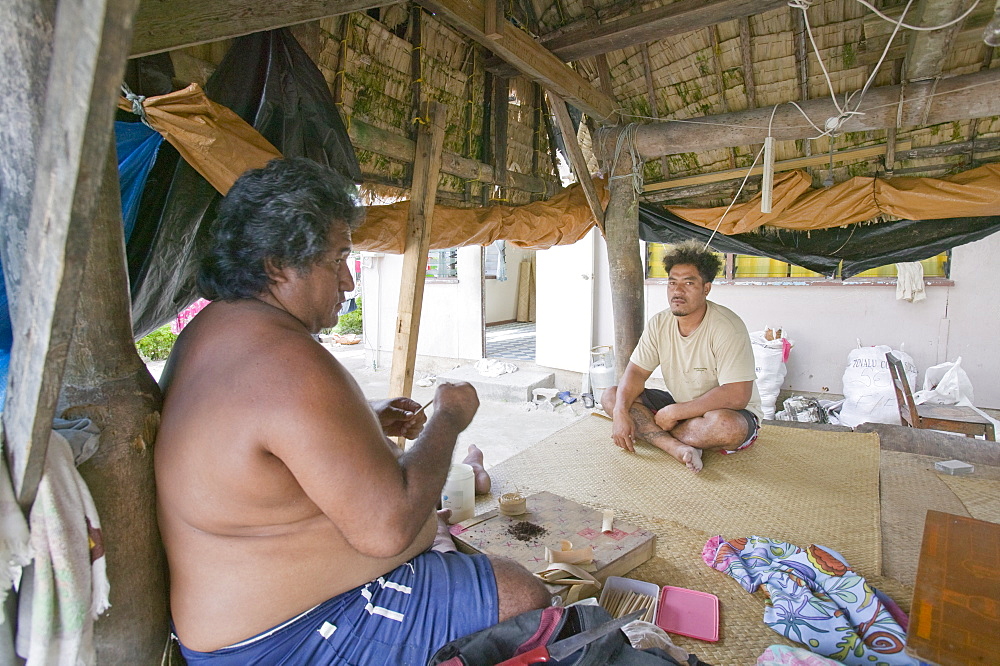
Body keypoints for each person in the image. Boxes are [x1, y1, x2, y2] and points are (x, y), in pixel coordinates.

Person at [154, 157, 550, 664]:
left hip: (241, 630)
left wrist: (362, 415)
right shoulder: (287, 361)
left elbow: (259, 438)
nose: (348, 281)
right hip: (288, 639)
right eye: (337, 259)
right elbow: (388, 530)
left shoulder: (211, 333)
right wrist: (449, 418)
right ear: (277, 264)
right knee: (523, 599)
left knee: (463, 551)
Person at [601, 241, 762, 473]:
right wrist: (619, 413)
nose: (677, 291)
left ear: (706, 288)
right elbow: (636, 372)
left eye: (688, 283)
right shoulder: (659, 323)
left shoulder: (727, 327)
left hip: (725, 413)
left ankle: (658, 434)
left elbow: (737, 395)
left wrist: (675, 413)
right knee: (612, 396)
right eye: (672, 283)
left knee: (727, 428)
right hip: (680, 407)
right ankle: (675, 447)